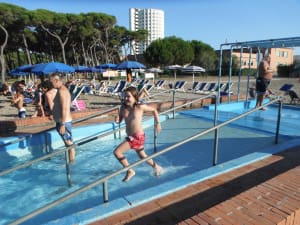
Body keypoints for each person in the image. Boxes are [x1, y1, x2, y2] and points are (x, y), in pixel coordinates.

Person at [113, 86, 163, 182]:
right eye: (125, 96)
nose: (126, 98)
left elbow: (154, 110)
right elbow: (120, 120)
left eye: (128, 96)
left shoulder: (139, 106)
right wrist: (117, 120)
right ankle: (157, 167)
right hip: (131, 136)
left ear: (135, 97)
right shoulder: (122, 108)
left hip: (137, 136)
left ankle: (130, 170)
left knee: (117, 152)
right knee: (142, 156)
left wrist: (158, 123)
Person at [50, 73, 76, 163]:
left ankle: (72, 164)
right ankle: (70, 162)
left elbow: (65, 108)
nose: (51, 84)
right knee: (68, 144)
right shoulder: (61, 90)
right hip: (62, 121)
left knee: (69, 144)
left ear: (56, 80)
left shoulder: (62, 91)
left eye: (51, 82)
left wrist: (62, 124)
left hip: (63, 122)